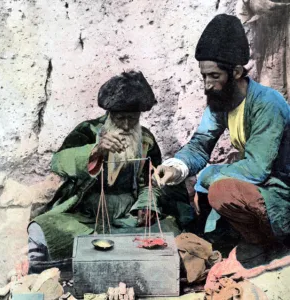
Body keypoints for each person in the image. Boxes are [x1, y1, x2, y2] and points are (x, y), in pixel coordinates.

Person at [156, 14, 290, 263]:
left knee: (221, 190)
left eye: (214, 76)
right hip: (259, 187)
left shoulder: (267, 103)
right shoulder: (222, 100)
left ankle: (268, 246)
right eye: (204, 76)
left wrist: (205, 178)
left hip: (281, 192)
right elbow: (200, 144)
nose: (207, 84)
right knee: (208, 194)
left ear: (237, 71)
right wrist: (176, 168)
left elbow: (257, 168)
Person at [28, 70, 192, 265]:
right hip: (86, 217)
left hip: (128, 218)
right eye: (120, 118)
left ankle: (95, 259)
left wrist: (146, 204)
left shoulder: (145, 139)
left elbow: (151, 179)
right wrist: (95, 150)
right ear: (109, 113)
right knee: (40, 231)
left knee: (171, 236)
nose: (125, 125)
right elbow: (58, 162)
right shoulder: (88, 130)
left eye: (132, 118)